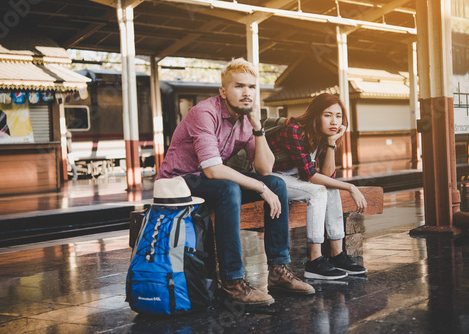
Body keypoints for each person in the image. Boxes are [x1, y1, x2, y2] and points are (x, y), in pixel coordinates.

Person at [157, 58, 315, 305]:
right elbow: (212, 170)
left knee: (277, 184)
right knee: (229, 187)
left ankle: (278, 271)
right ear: (223, 91)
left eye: (252, 87)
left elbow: (265, 168)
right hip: (176, 183)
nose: (247, 93)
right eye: (239, 86)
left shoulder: (245, 121)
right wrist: (260, 188)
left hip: (208, 183)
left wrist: (258, 128)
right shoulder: (204, 113)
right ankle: (233, 282)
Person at [268, 93, 368, 280]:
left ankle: (337, 255)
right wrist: (351, 187)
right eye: (327, 115)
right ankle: (314, 261)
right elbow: (311, 176)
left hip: (294, 179)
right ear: (316, 115)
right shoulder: (294, 130)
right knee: (318, 191)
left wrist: (331, 143)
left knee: (330, 188)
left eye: (338, 116)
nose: (334, 121)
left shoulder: (323, 135)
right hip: (271, 178)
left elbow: (328, 175)